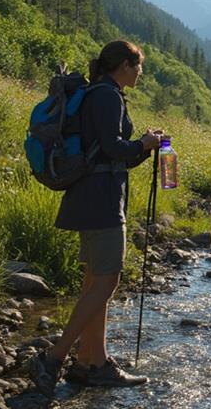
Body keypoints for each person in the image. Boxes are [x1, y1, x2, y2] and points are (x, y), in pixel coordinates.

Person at [27, 40, 163, 397]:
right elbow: (113, 148)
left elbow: (111, 152)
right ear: (123, 65)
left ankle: (92, 362)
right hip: (102, 200)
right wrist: (144, 145)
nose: (141, 72)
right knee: (106, 283)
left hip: (90, 197)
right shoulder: (108, 96)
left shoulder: (99, 93)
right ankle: (54, 357)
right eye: (138, 66)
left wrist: (144, 148)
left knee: (95, 283)